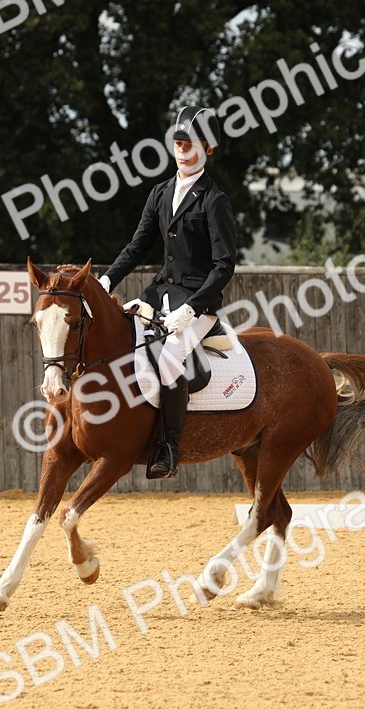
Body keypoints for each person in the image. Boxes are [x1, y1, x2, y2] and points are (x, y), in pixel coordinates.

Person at [99, 106, 237, 479]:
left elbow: (224, 265)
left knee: (171, 357)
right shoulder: (160, 193)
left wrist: (192, 308)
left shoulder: (214, 200)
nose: (182, 151)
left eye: (191, 144)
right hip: (157, 296)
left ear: (209, 149)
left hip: (198, 306)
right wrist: (107, 281)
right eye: (178, 143)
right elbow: (137, 246)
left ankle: (169, 447)